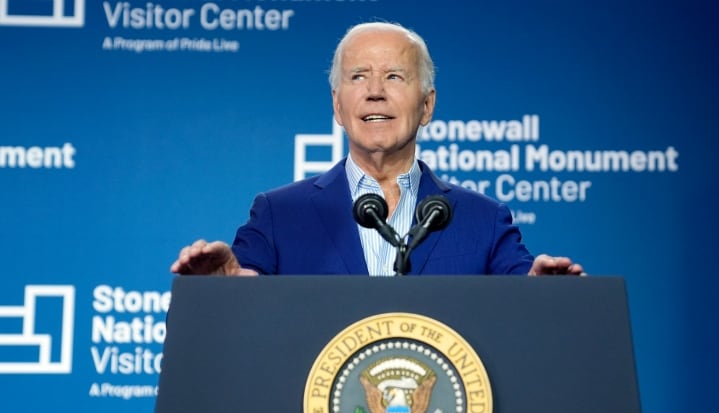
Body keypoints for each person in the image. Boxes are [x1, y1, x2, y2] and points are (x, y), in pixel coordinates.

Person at [171, 21, 584, 277]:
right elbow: (239, 298)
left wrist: (547, 294)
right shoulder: (279, 214)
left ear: (427, 105)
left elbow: (529, 300)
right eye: (358, 76)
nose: (374, 92)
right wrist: (218, 292)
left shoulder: (483, 220)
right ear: (337, 105)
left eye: (393, 77)